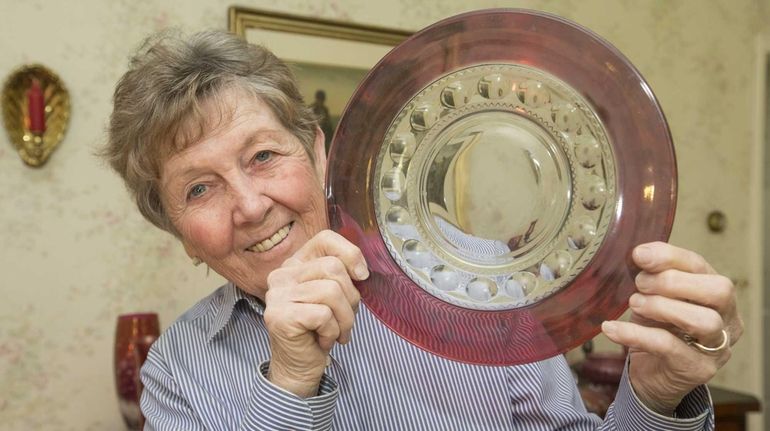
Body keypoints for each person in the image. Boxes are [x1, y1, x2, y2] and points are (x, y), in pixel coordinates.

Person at [102, 30, 742, 430]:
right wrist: (293, 378)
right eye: (199, 188)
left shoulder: (481, 280)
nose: (249, 204)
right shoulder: (177, 369)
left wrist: (657, 402)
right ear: (183, 236)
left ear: (320, 156)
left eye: (264, 156)